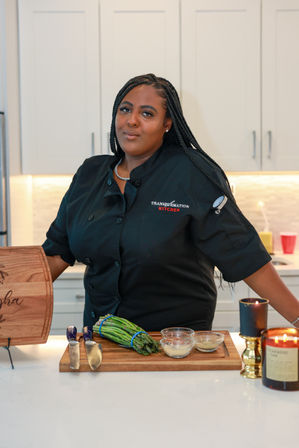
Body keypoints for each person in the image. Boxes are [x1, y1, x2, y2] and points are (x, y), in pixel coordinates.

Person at [42, 73, 299, 331]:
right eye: (125, 109)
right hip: (100, 346)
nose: (131, 121)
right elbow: (56, 254)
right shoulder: (90, 174)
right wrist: (10, 303)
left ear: (167, 123)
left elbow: (245, 254)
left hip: (176, 348)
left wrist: (297, 319)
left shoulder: (193, 174)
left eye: (147, 114)